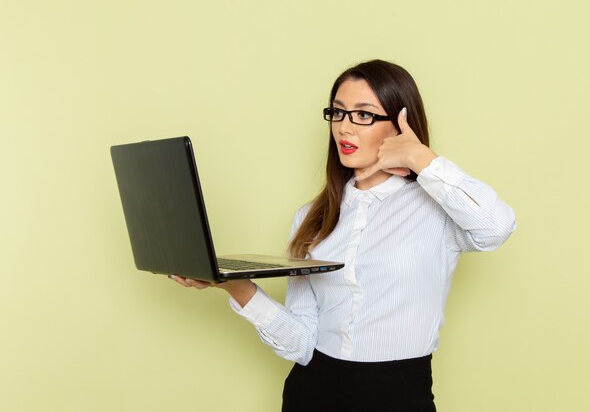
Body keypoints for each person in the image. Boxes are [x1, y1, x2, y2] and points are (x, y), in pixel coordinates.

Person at [170, 59, 516, 412]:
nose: (344, 128)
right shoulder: (312, 218)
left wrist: (420, 158)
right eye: (338, 113)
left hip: (399, 395)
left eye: (363, 115)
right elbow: (302, 344)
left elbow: (496, 227)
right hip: (311, 393)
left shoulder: (437, 209)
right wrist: (233, 285)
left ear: (401, 124)